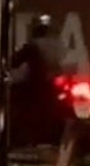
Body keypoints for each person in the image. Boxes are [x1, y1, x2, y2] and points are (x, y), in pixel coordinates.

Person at [8, 14, 68, 147]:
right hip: (54, 85)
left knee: (25, 111)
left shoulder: (34, 45)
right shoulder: (58, 45)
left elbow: (16, 61)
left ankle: (25, 140)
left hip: (36, 86)